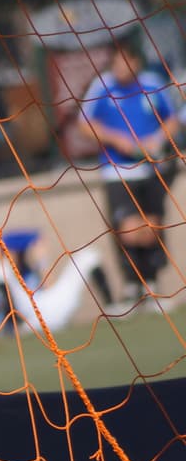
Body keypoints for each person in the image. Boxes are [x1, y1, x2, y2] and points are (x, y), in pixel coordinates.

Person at [79, 40, 180, 306]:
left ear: (136, 62)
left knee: (151, 226)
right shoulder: (102, 87)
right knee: (126, 229)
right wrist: (115, 139)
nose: (120, 67)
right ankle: (132, 285)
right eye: (116, 62)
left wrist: (156, 140)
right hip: (118, 172)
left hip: (151, 168)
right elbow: (84, 124)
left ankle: (151, 285)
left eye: (125, 61)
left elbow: (172, 119)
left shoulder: (152, 84)